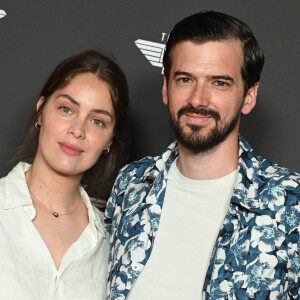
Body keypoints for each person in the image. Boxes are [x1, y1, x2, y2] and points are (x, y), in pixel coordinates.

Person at [105, 11, 300, 300]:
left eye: (219, 83)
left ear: (249, 96)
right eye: (185, 79)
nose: (198, 99)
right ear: (166, 88)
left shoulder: (290, 203)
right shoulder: (131, 185)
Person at [0, 50, 129, 299]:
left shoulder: (113, 244)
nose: (78, 130)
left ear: (109, 141)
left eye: (97, 121)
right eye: (66, 109)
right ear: (41, 110)